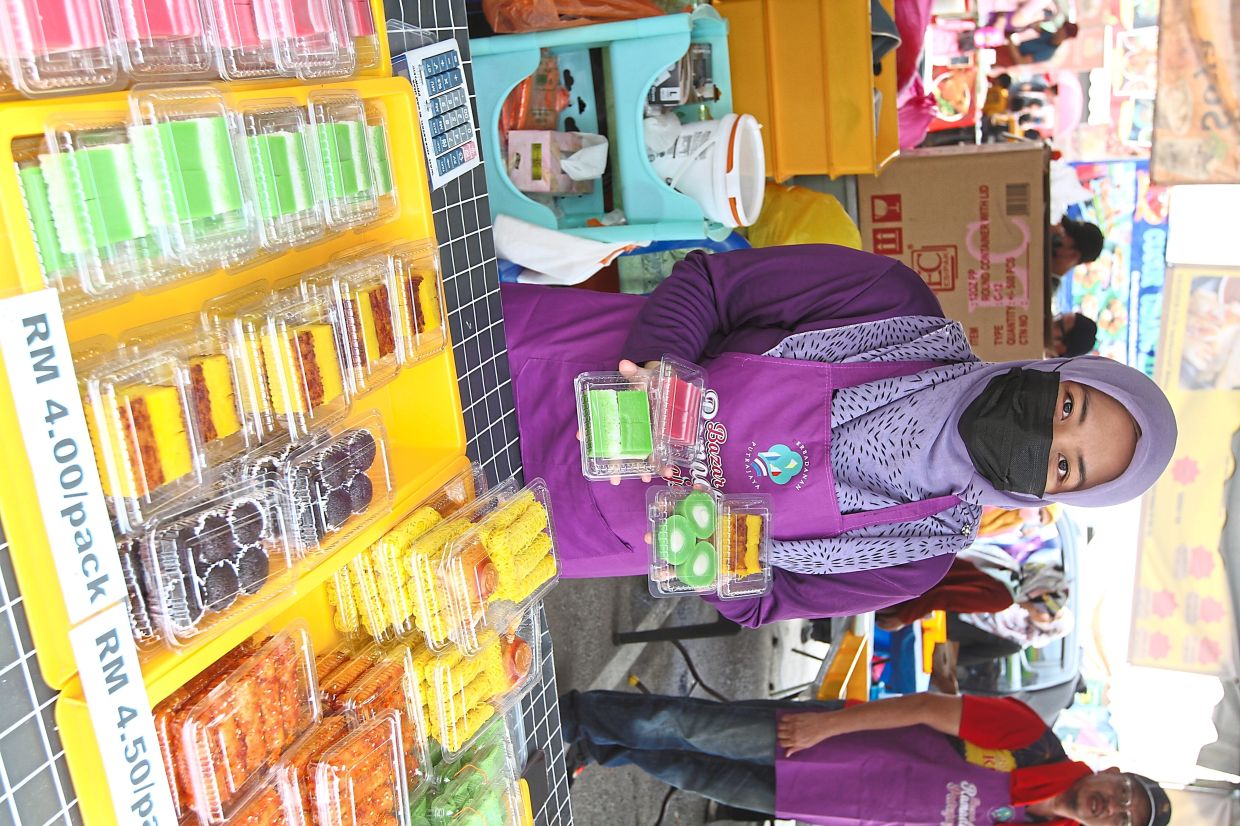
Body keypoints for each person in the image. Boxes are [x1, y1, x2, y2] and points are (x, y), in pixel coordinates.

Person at [502, 245, 1177, 625]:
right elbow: (709, 284)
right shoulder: (891, 304)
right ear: (1053, 369)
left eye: (1063, 468)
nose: (1040, 442)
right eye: (1065, 409)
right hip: (537, 369)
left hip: (566, 525)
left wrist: (707, 555)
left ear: (1045, 498)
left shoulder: (918, 557)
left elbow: (764, 599)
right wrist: (663, 366)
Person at [561, 689, 1173, 825]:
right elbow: (930, 709)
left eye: (1123, 820)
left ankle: (596, 744)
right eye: (1125, 796)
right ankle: (576, 717)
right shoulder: (1029, 737)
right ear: (1114, 772)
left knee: (699, 774)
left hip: (836, 806)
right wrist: (828, 726)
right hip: (825, 741)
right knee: (690, 727)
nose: (1113, 808)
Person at [876, 550, 1068, 631]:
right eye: (1038, 609)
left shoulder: (1009, 567)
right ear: (1037, 594)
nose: (1031, 611)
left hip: (913, 564)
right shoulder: (1002, 598)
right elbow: (944, 596)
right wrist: (903, 619)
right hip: (901, 585)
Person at [993, 21, 1080, 68]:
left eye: (1062, 30)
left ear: (1064, 36)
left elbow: (1021, 61)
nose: (1059, 29)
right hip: (1008, 48)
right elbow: (1035, 26)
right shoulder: (1049, 35)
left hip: (1008, 57)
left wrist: (1011, 43)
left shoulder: (1048, 52)